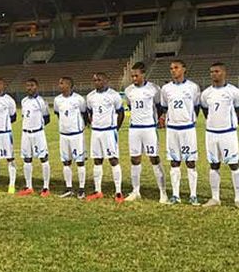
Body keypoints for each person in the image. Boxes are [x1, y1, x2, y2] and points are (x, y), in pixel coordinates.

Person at [124, 62, 168, 203]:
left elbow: (159, 107)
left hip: (149, 128)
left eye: (136, 75)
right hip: (134, 129)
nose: (134, 78)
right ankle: (136, 191)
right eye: (132, 76)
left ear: (143, 74)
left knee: (154, 158)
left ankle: (163, 192)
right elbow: (131, 106)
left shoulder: (154, 89)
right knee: (134, 159)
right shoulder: (128, 90)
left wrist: (159, 119)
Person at [161, 60, 201, 205]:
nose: (173, 70)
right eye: (171, 68)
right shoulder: (166, 89)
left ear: (184, 69)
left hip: (187, 129)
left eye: (176, 68)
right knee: (174, 162)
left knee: (190, 162)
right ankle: (176, 195)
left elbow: (196, 107)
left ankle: (193, 195)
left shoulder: (193, 87)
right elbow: (165, 107)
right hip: (172, 130)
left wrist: (188, 119)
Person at [200, 62, 239, 207]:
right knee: (213, 164)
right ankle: (215, 198)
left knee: (234, 165)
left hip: (228, 134)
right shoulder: (206, 93)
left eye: (216, 71)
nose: (213, 74)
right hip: (211, 134)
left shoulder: (233, 91)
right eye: (211, 72)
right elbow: (205, 111)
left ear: (224, 72)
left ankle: (238, 198)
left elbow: (237, 110)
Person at [85, 72, 125, 203]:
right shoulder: (90, 96)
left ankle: (118, 192)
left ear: (106, 80)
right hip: (96, 132)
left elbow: (121, 113)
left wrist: (115, 128)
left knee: (113, 160)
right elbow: (90, 113)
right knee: (97, 160)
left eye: (99, 80)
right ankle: (98, 191)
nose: (97, 82)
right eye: (95, 80)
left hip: (109, 132)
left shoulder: (114, 96)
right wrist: (93, 124)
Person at [53, 77, 87, 199]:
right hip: (63, 135)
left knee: (80, 161)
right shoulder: (57, 100)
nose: (59, 85)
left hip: (76, 135)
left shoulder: (79, 99)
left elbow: (84, 113)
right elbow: (57, 113)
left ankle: (82, 189)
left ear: (68, 85)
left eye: (62, 83)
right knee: (66, 162)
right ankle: (68, 188)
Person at [18, 78, 51, 197]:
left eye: (32, 85)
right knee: (27, 159)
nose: (29, 88)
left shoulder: (41, 101)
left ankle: (46, 187)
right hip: (25, 134)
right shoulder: (24, 101)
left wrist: (37, 126)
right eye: (27, 86)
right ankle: (29, 186)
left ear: (36, 87)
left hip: (38, 133)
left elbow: (47, 118)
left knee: (43, 158)